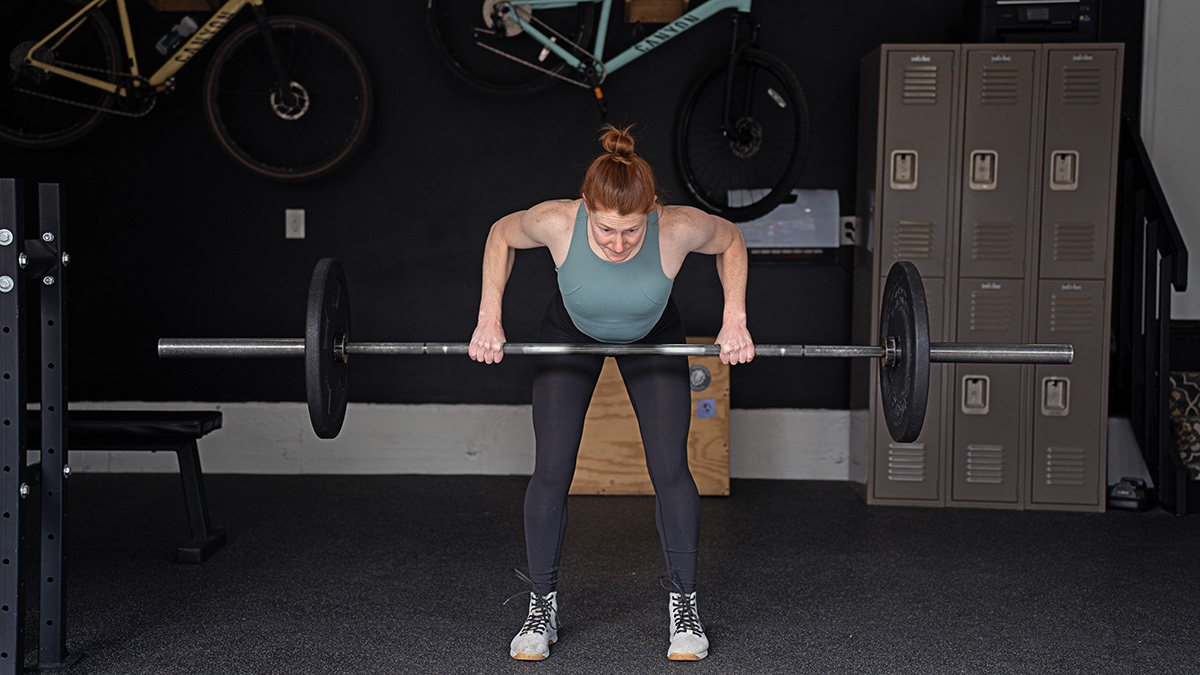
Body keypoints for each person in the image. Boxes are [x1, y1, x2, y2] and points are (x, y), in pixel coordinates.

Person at [468, 124, 754, 662]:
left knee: (671, 468)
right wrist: (489, 318)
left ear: (650, 213)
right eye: (605, 232)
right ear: (586, 209)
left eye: (630, 232)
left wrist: (734, 318)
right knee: (552, 468)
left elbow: (732, 239)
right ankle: (540, 606)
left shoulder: (678, 227)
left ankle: (684, 607)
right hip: (569, 334)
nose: (618, 244)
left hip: (653, 337)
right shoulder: (556, 220)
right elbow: (501, 234)